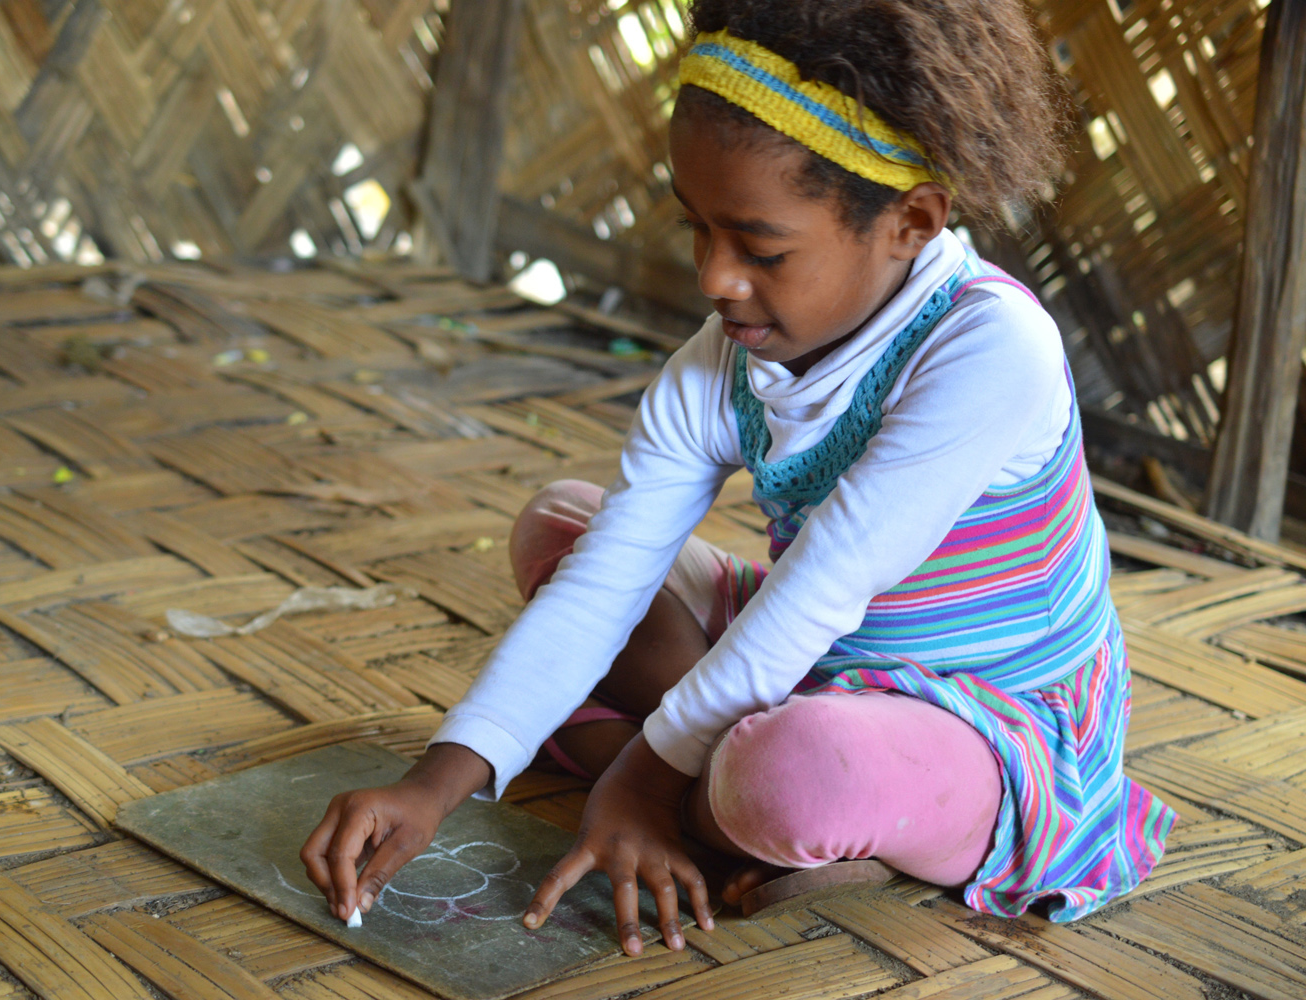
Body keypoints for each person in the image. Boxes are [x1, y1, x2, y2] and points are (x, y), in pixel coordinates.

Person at [301, 0, 1174, 956]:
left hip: (990, 722)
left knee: (802, 769)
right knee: (563, 526)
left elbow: (824, 586)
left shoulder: (991, 348)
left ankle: (675, 794)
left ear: (911, 222)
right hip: (809, 661)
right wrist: (434, 785)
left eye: (761, 248)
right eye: (697, 228)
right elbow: (609, 578)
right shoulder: (724, 361)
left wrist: (641, 778)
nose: (715, 278)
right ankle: (712, 816)